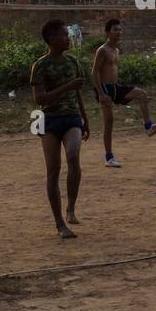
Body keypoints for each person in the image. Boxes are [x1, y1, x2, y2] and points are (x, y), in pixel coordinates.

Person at [30, 18, 90, 239]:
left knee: (73, 156)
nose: (68, 38)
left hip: (72, 117)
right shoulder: (40, 66)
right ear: (52, 38)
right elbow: (39, 99)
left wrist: (85, 119)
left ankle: (71, 208)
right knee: (53, 171)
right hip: (50, 120)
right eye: (64, 35)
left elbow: (77, 93)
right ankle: (59, 223)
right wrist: (67, 87)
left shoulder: (73, 62)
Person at [91, 18, 156, 168]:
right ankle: (109, 157)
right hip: (104, 89)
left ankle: (148, 126)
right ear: (107, 32)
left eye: (120, 29)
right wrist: (100, 93)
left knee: (142, 94)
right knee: (109, 122)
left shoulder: (117, 50)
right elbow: (95, 72)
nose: (119, 32)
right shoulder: (102, 50)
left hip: (116, 87)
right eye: (115, 30)